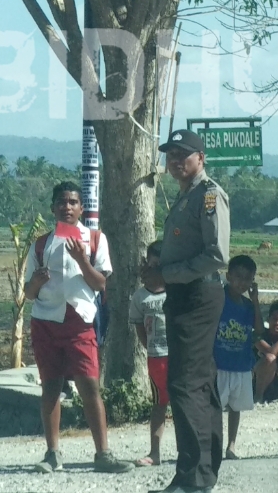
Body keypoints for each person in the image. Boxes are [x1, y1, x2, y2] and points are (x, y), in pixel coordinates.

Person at [24, 182, 134, 474]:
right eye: (62, 202)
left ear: (81, 208)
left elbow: (100, 284)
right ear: (53, 208)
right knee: (50, 387)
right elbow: (29, 293)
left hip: (80, 321)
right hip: (46, 321)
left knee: (89, 386)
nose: (67, 207)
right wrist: (36, 281)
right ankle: (52, 453)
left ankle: (103, 453)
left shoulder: (95, 239)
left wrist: (82, 260)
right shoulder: (41, 244)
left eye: (73, 202)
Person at [158, 128, 230, 493]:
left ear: (200, 158)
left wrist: (168, 273)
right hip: (187, 294)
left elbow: (217, 255)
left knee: (185, 384)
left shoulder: (208, 196)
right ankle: (201, 472)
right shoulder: (187, 196)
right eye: (170, 154)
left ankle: (194, 477)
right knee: (198, 383)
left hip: (198, 296)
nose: (174, 161)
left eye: (183, 154)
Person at [214, 255, 262, 460]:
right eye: (238, 277)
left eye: (247, 279)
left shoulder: (249, 306)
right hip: (219, 363)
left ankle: (231, 445)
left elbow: (259, 329)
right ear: (228, 276)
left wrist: (256, 300)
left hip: (241, 364)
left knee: (236, 407)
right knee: (215, 407)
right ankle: (214, 443)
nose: (242, 282)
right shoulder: (218, 299)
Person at [129, 241, 169, 467]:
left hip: (180, 356)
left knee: (185, 403)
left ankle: (189, 450)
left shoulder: (177, 292)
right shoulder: (140, 297)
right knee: (159, 404)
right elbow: (140, 331)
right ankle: (155, 452)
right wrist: (152, 348)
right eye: (153, 265)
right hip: (156, 358)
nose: (156, 270)